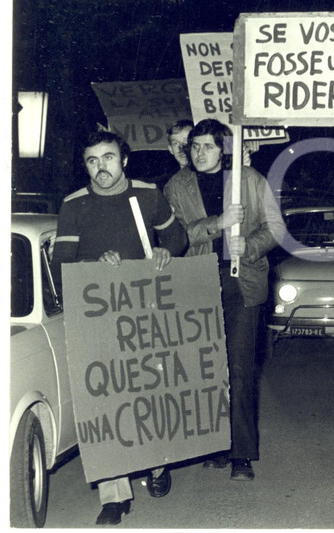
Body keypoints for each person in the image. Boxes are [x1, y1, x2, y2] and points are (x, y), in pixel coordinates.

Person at [52, 130, 187, 526]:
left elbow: (177, 238)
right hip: (99, 318)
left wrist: (164, 251)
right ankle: (114, 494)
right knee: (107, 402)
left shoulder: (147, 195)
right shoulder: (74, 205)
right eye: (92, 160)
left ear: (124, 159)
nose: (101, 167)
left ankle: (157, 464)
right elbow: (62, 266)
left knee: (149, 395)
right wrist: (94, 266)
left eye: (108, 157)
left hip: (146, 315)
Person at [163, 118, 285, 482]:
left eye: (208, 147)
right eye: (194, 147)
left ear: (223, 150)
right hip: (196, 283)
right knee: (206, 371)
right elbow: (175, 238)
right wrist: (217, 223)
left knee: (241, 370)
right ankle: (215, 447)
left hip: (241, 284)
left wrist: (250, 244)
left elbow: (276, 228)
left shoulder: (250, 180)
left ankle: (241, 455)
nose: (199, 154)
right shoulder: (176, 186)